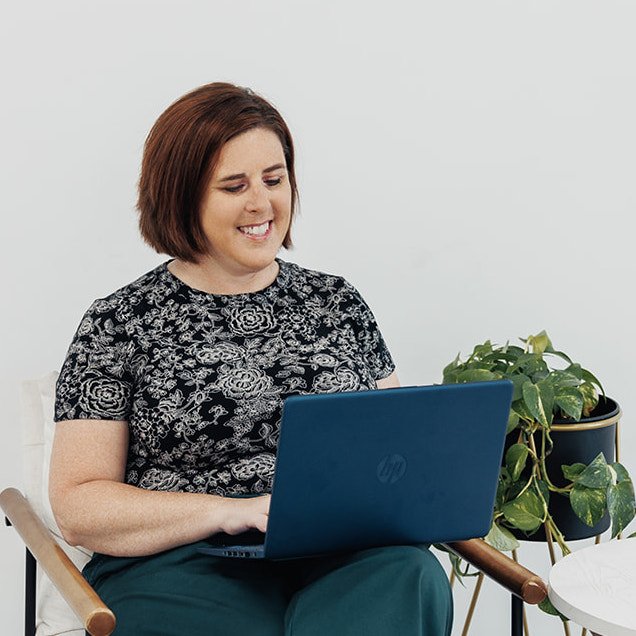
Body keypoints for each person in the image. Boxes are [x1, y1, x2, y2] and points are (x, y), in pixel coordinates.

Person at [49, 82, 453, 636]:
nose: (261, 203)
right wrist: (225, 510)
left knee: (411, 575)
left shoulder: (337, 303)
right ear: (182, 196)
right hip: (181, 561)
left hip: (340, 551)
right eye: (234, 186)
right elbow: (79, 506)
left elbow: (397, 451)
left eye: (274, 179)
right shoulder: (118, 322)